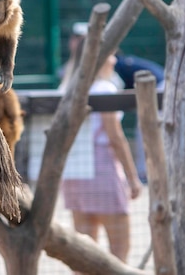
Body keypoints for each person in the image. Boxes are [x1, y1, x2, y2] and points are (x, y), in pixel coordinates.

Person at [61, 40, 142, 267]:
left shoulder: (67, 86)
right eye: (110, 55)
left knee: (84, 251)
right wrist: (133, 177)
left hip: (74, 172)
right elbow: (115, 137)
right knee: (119, 250)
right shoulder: (104, 88)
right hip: (102, 169)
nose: (114, 60)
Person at [114, 51, 165, 183]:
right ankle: (147, 171)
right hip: (160, 88)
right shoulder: (124, 64)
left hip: (159, 89)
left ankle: (144, 173)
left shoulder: (119, 65)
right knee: (148, 132)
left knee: (146, 131)